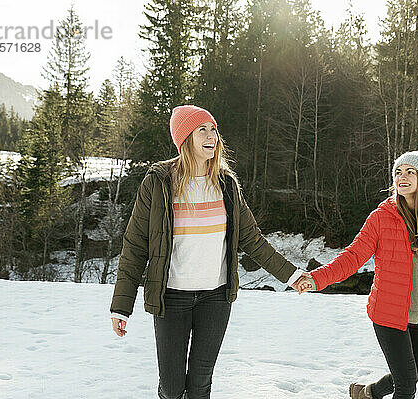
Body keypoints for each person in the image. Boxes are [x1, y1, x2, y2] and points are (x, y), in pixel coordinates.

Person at [109, 105, 305, 399]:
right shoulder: (160, 183)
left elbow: (252, 240)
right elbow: (135, 246)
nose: (211, 135)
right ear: (185, 137)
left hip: (215, 298)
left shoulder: (226, 185)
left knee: (200, 385)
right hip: (171, 298)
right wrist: (121, 306)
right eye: (202, 129)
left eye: (213, 129)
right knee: (173, 388)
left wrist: (292, 275)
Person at [296, 151, 418, 399]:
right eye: (398, 172)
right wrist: (316, 278)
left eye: (410, 172)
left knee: (410, 376)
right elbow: (352, 257)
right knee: (407, 387)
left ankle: (368, 393)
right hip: (388, 313)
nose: (402, 177)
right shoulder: (381, 218)